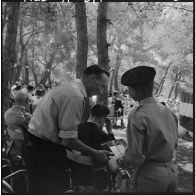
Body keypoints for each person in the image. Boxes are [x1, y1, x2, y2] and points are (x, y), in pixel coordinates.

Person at [22, 65, 113, 193]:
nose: (103, 91)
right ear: (92, 78)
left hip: (36, 144)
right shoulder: (75, 96)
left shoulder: (68, 88)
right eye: (102, 86)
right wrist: (95, 153)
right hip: (43, 150)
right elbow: (68, 140)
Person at [108, 66, 178, 192]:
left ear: (134, 91)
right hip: (172, 172)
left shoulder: (138, 115)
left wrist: (117, 162)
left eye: (129, 88)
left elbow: (134, 157)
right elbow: (174, 145)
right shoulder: (169, 112)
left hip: (150, 177)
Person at [68, 104, 115, 191]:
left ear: (91, 114)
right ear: (102, 119)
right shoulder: (101, 135)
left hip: (74, 173)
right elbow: (113, 152)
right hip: (95, 178)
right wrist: (110, 132)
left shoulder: (76, 129)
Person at [4, 92, 32, 156]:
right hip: (25, 144)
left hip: (14, 143)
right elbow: (33, 129)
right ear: (27, 100)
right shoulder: (23, 116)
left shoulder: (7, 112)